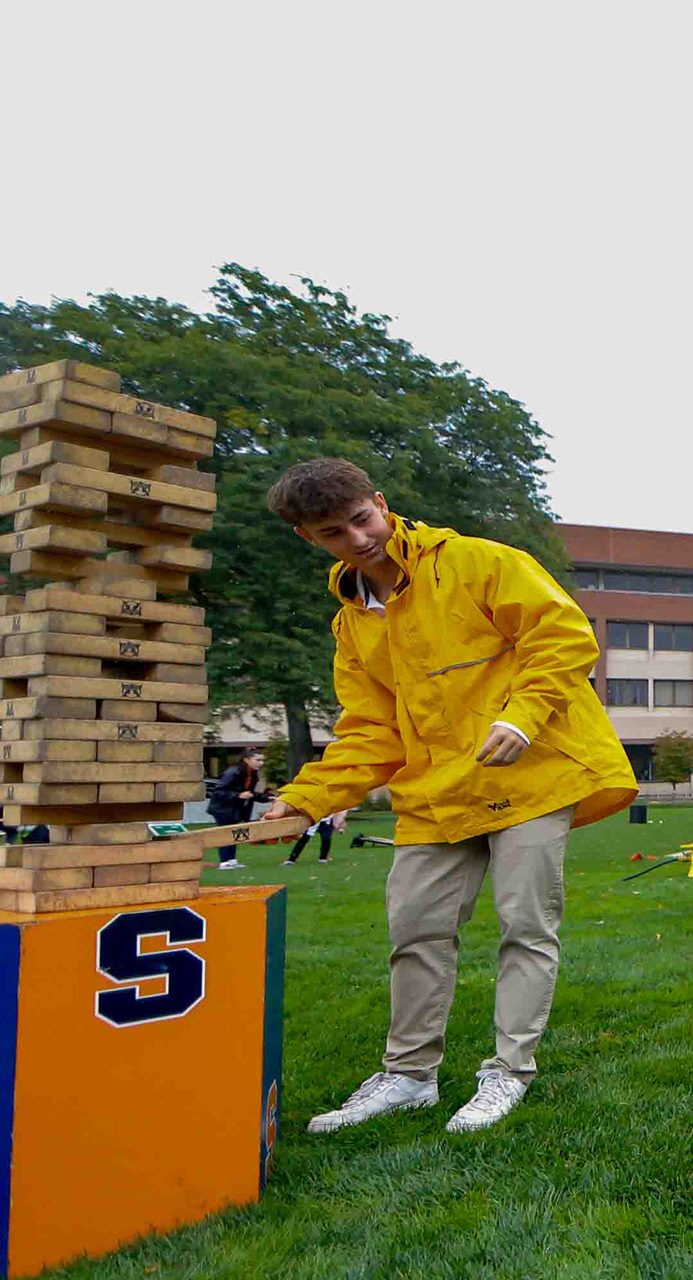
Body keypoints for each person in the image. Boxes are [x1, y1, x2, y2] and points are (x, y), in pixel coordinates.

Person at [258, 459, 636, 1136]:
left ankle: (508, 1073)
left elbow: (563, 634)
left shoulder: (477, 562)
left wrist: (521, 716)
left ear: (381, 503)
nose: (357, 538)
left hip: (531, 775)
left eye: (361, 519)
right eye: (333, 532)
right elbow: (370, 732)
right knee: (415, 930)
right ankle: (408, 1078)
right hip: (435, 793)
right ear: (308, 539)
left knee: (525, 926)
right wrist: (306, 799)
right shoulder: (352, 626)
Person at [207, 748, 266, 869]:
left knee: (235, 833)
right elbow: (218, 791)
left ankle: (232, 860)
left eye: (262, 760)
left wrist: (267, 798)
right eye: (258, 760)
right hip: (222, 808)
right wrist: (238, 795)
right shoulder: (233, 772)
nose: (261, 763)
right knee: (225, 833)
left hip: (236, 808)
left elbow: (249, 793)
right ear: (246, 760)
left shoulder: (252, 774)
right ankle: (224, 862)